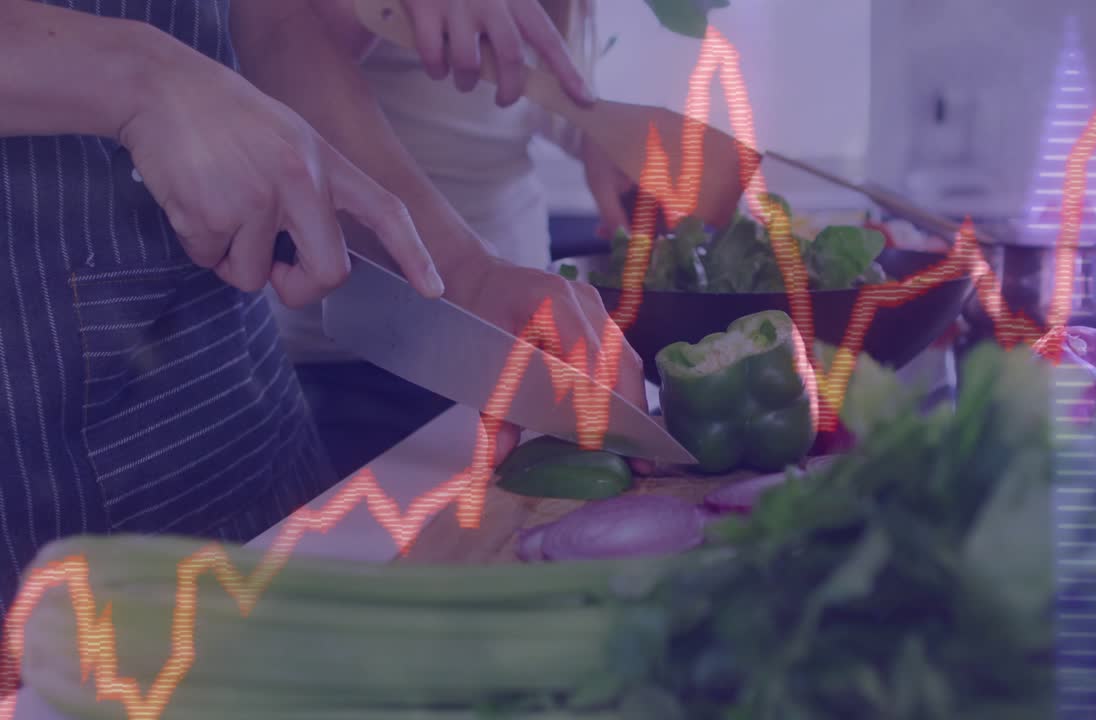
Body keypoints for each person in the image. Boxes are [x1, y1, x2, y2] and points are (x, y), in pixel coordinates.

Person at [0, 0, 648, 616]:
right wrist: (139, 73)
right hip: (30, 457)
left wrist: (460, 270)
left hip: (242, 422)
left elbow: (274, 21)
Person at [269, 0, 638, 478]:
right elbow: (277, 48)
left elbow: (506, 85)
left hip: (510, 346)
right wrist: (468, 273)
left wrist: (592, 131)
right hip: (355, 365)